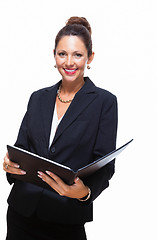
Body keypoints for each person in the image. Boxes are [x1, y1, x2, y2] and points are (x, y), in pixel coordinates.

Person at [3, 16, 118, 240]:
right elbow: (21, 147)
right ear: (54, 56)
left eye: (77, 55)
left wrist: (85, 193)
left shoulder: (104, 102)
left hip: (66, 217)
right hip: (21, 212)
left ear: (90, 57)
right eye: (62, 54)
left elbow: (105, 163)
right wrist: (9, 164)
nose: (69, 62)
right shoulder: (38, 98)